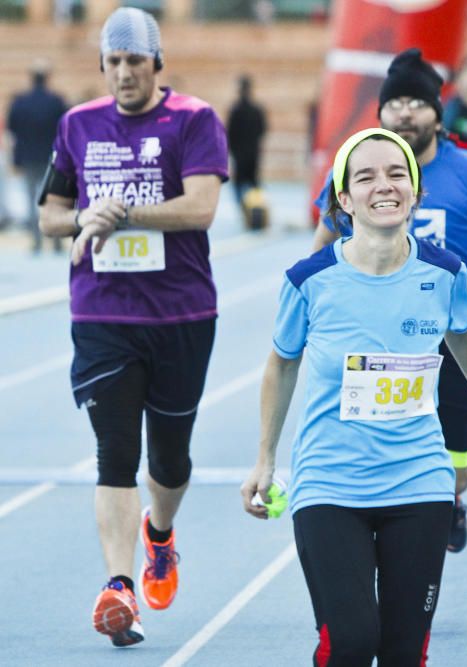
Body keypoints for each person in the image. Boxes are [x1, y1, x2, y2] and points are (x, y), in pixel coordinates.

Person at [242, 128, 467, 666]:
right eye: (365, 177)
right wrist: (265, 459)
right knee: (351, 643)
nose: (384, 186)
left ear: (415, 191)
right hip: (329, 484)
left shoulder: (444, 273)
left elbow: (462, 329)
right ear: (343, 200)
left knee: (400, 651)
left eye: (397, 174)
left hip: (418, 481)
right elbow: (281, 361)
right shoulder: (309, 280)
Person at [37, 7, 228, 647]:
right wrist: (87, 217)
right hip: (102, 314)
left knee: (169, 459)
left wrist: (125, 214)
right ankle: (119, 588)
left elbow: (201, 207)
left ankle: (160, 535)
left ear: (156, 63)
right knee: (115, 454)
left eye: (135, 61)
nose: (124, 72)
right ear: (102, 64)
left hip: (181, 313)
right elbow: (50, 216)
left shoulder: (194, 120)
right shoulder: (77, 125)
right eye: (113, 61)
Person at [312, 48, 467, 553]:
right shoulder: (355, 172)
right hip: (370, 342)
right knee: (372, 457)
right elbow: (321, 252)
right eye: (396, 103)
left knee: (455, 461)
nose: (405, 112)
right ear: (381, 112)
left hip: (449, 343)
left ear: (438, 111)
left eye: (417, 101)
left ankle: (450, 502)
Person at [6, 58, 68, 253]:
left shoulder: (20, 103)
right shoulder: (57, 101)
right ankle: (56, 241)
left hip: (29, 158)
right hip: (53, 158)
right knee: (55, 200)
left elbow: (13, 130)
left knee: (32, 199)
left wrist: (16, 158)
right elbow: (64, 130)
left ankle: (37, 241)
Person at [226, 74, 268, 209]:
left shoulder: (235, 110)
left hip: (239, 154)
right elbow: (262, 130)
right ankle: (256, 209)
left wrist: (232, 150)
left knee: (239, 184)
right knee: (254, 183)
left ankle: (244, 209)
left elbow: (229, 132)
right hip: (253, 152)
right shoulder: (257, 109)